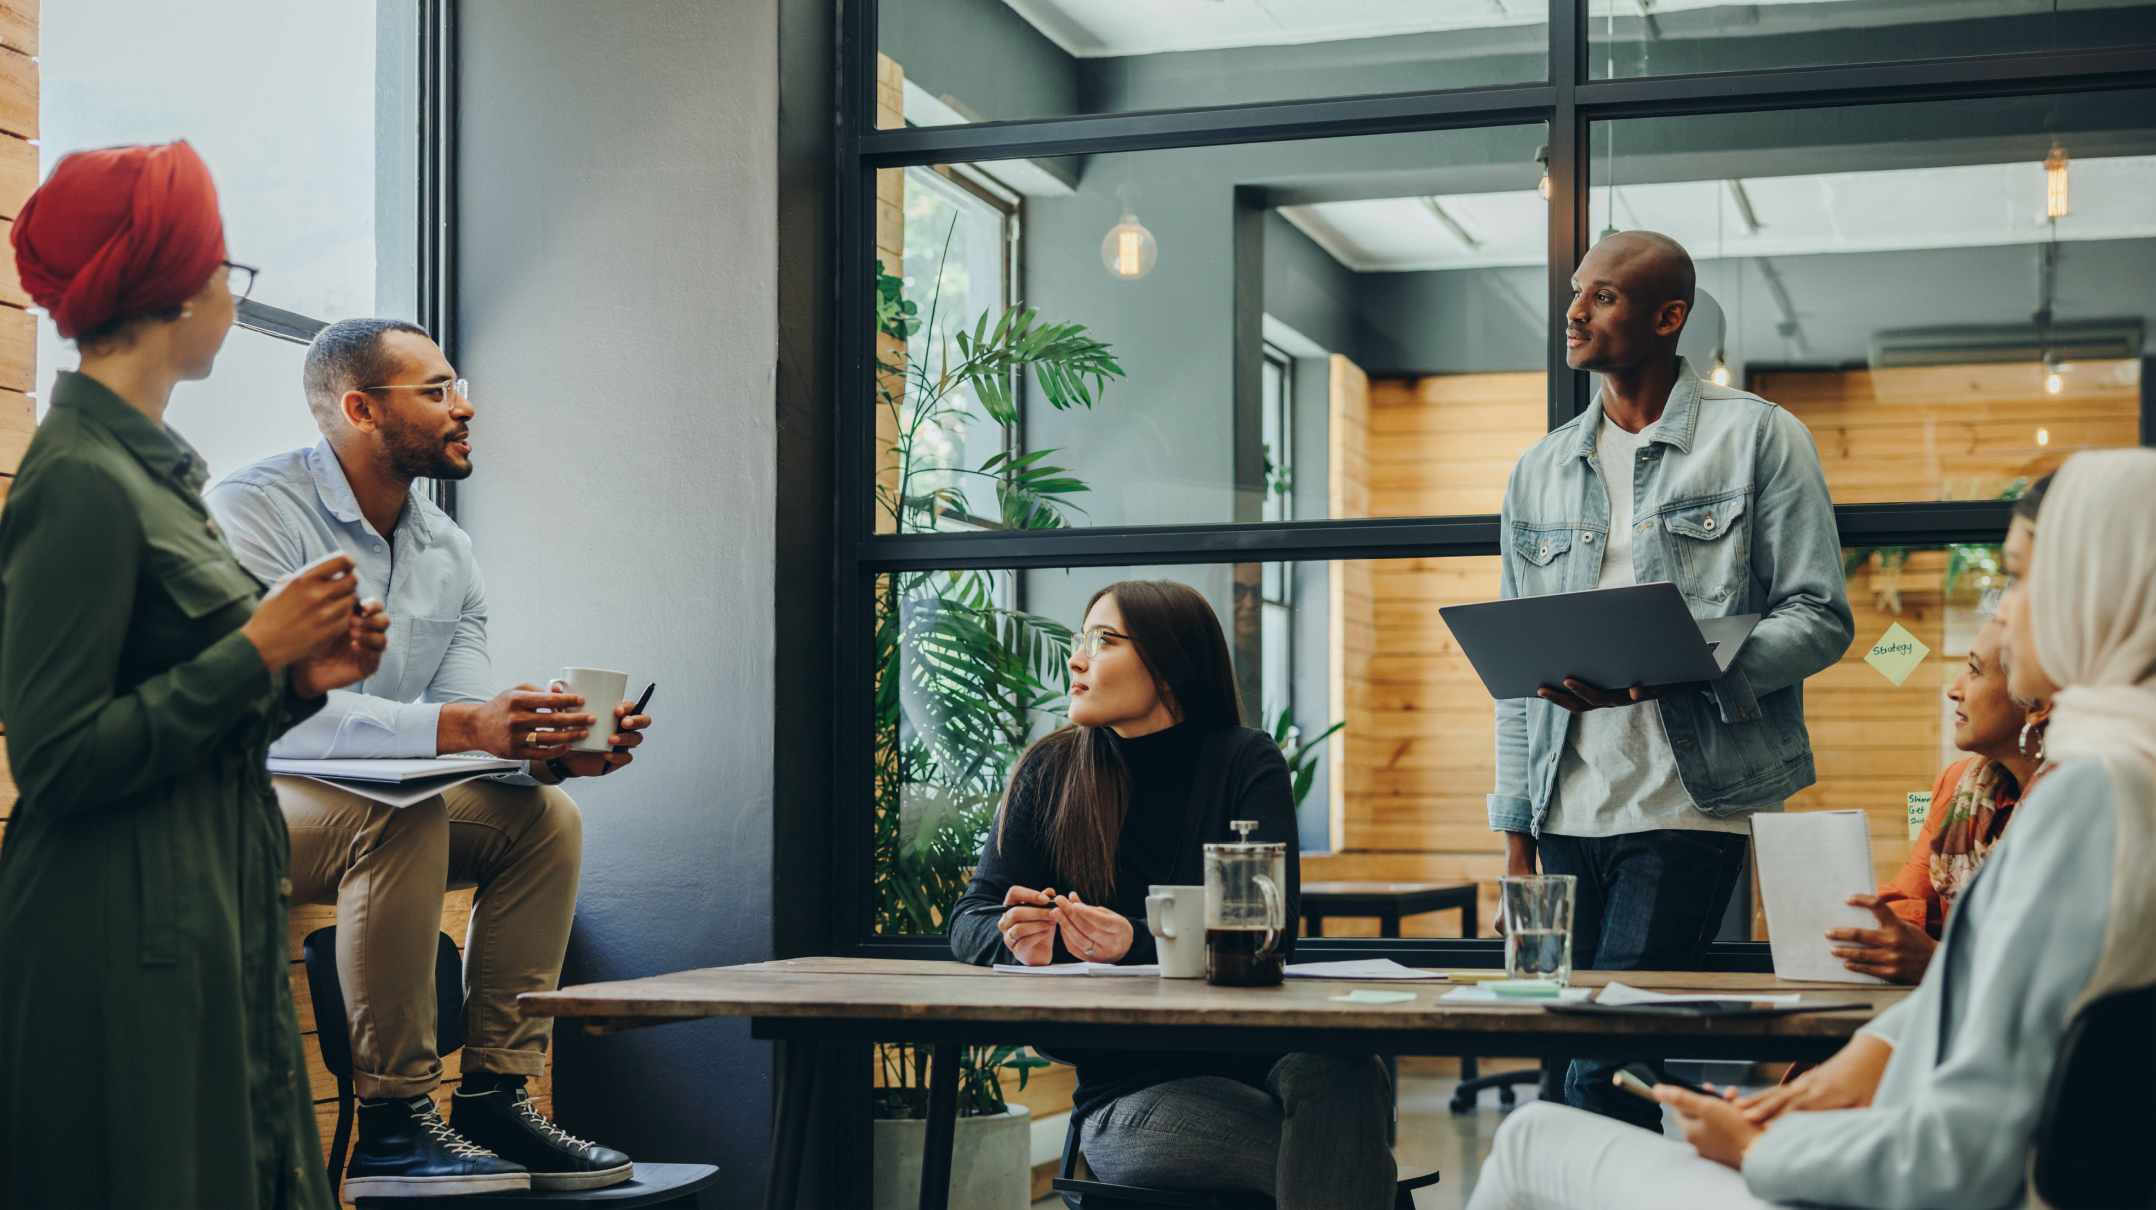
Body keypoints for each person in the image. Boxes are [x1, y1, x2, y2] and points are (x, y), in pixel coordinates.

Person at [1464, 446, 2156, 1210]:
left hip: (1889, 1186)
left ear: (2100, 589)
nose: (2004, 607)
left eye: (2021, 576)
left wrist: (1761, 1148)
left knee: (1532, 1137)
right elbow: (1989, 1005)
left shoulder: (2086, 801)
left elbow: (1959, 1155)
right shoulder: (2121, 781)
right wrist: (1845, 1072)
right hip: (1886, 1155)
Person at [0, 142, 390, 1209]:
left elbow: (190, 709)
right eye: (226, 270)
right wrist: (255, 650)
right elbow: (56, 754)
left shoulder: (159, 477)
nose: (231, 291)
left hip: (202, 907)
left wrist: (300, 676)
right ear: (173, 288)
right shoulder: (79, 481)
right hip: (119, 934)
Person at [204, 319, 647, 1197]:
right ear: (360, 409)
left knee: (542, 820)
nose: (465, 405)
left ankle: (492, 1096)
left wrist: (547, 754)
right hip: (235, 795)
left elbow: (454, 718)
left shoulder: (446, 549)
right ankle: (394, 1123)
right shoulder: (253, 509)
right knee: (396, 815)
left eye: (458, 386)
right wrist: (468, 728)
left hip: (361, 794)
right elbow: (271, 714)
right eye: (437, 390)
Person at [1491, 230, 1853, 1125]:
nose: (1574, 310)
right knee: (1566, 1066)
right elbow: (1517, 675)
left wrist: (1672, 676)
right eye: (1577, 292)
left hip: (1688, 805)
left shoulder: (1760, 438)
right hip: (1564, 811)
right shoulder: (1539, 469)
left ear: (1669, 316)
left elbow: (1819, 616)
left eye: (1603, 296)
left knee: (1602, 1068)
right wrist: (1515, 839)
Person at [948, 581, 1396, 1210]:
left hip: (1258, 1056)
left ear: (1167, 667)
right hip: (1129, 1094)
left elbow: (1271, 927)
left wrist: (1136, 939)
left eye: (1102, 641)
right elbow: (970, 919)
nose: (1076, 659)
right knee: (1353, 1169)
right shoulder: (1048, 773)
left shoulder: (1245, 762)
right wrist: (1022, 935)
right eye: (1082, 640)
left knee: (1345, 1068)